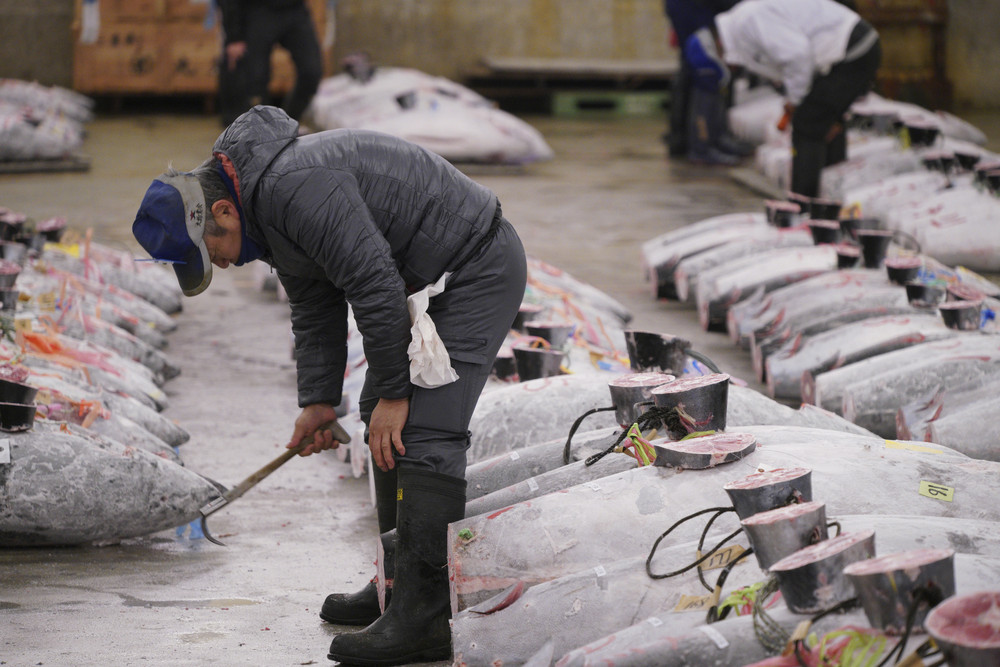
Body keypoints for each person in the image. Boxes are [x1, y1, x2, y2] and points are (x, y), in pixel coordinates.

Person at [131, 105, 528, 666]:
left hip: (477, 266)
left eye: (210, 250)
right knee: (381, 419)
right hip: (435, 274)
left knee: (424, 427)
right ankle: (399, 585)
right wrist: (318, 401)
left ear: (222, 209)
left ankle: (426, 614)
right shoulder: (264, 207)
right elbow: (315, 306)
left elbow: (371, 281)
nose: (218, 264)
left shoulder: (292, 189)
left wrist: (396, 391)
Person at [712, 0, 881, 197]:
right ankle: (831, 197)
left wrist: (794, 100)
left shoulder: (748, 21)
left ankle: (804, 205)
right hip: (853, 47)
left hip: (851, 49)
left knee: (807, 124)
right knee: (824, 122)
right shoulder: (744, 20)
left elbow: (797, 55)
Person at [662, 0, 744, 164]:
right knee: (704, 69)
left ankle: (712, 138)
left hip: (700, 7)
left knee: (709, 70)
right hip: (691, 6)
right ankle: (700, 145)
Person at [217, 0, 323, 124]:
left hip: (295, 9)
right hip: (257, 10)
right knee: (255, 81)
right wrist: (233, 36)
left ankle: (286, 124)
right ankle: (262, 130)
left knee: (311, 71)